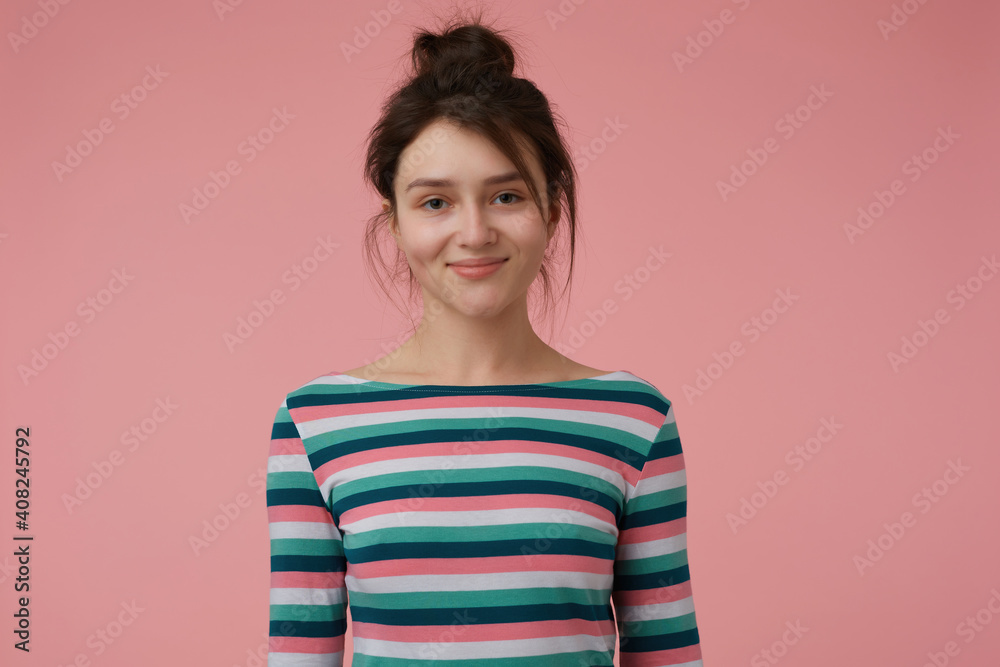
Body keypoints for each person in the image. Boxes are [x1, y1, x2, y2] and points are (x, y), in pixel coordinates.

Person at [267, 11, 704, 666]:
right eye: (436, 201)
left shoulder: (634, 420)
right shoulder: (314, 425)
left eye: (505, 196)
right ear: (394, 221)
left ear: (552, 207)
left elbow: (668, 653)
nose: (473, 233)